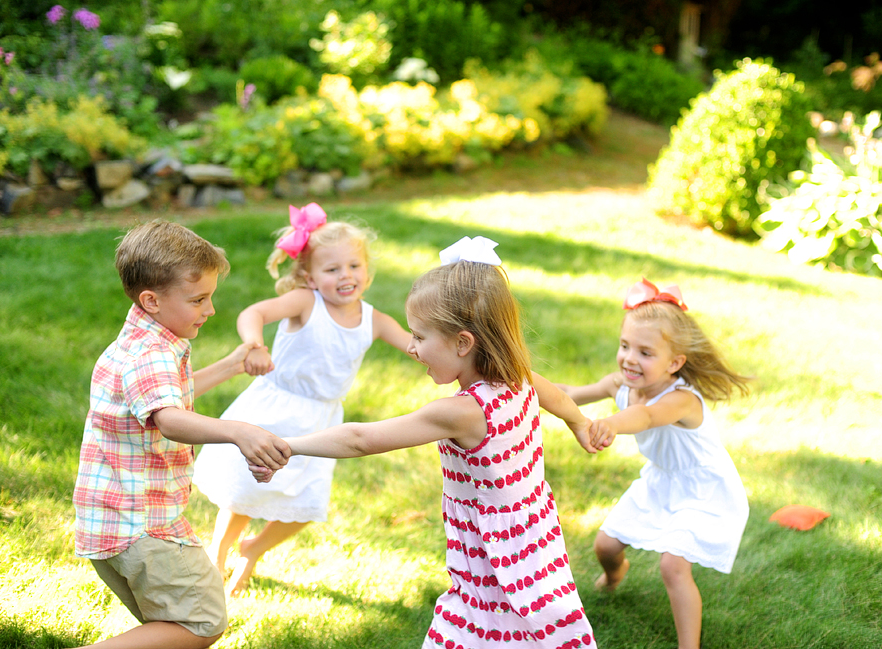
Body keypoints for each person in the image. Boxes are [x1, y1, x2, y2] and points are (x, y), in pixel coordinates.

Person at [263, 236, 604, 648]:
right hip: (531, 534)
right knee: (527, 622)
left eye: (420, 337)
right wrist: (580, 423)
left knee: (480, 623)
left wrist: (287, 445)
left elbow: (359, 439)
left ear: (463, 343)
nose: (410, 347)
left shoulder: (461, 411)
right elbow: (560, 400)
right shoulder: (518, 376)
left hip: (494, 547)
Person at [71, 220, 291, 649]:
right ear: (151, 300)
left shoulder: (142, 339)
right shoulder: (152, 352)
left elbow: (168, 394)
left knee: (169, 628)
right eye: (198, 299)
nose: (210, 310)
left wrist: (230, 365)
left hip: (115, 520)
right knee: (201, 623)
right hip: (143, 526)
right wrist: (236, 432)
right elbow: (168, 417)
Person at [192, 203, 413, 597]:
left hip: (321, 424)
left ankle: (253, 549)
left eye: (354, 266)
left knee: (308, 504)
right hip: (274, 409)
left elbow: (417, 347)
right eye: (332, 269)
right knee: (247, 491)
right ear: (310, 277)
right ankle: (219, 551)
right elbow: (253, 312)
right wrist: (253, 345)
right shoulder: (306, 303)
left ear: (367, 271)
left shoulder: (374, 320)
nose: (345, 275)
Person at [558, 278, 750, 649]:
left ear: (674, 362)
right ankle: (615, 578)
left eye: (645, 353)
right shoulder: (620, 384)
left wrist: (611, 424)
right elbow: (571, 395)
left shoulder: (681, 400)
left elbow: (645, 417)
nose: (630, 358)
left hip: (703, 492)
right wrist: (521, 382)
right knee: (606, 547)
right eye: (625, 346)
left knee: (673, 565)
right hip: (659, 482)